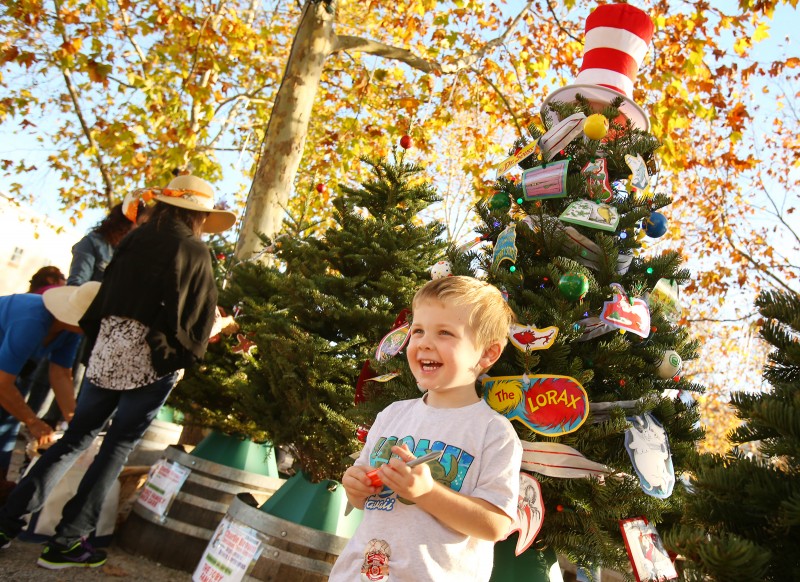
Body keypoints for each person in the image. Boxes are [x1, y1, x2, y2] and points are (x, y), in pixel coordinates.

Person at [0, 174, 236, 570]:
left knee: (74, 439)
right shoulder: (193, 250)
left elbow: (102, 299)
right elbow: (190, 324)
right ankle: (66, 543)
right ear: (197, 215)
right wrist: (222, 327)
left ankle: (7, 523)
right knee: (116, 447)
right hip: (151, 361)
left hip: (106, 353)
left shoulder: (132, 240)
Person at [329, 276, 523, 582]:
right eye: (418, 330)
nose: (424, 343)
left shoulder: (493, 433)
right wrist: (355, 485)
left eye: (445, 332)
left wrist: (428, 493)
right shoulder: (392, 415)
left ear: (487, 353)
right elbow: (360, 497)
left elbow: (495, 524)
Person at [0, 283, 100, 499]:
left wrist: (73, 419)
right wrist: (33, 421)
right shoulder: (32, 322)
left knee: (6, 426)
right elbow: (2, 384)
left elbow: (61, 374)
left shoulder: (70, 330)